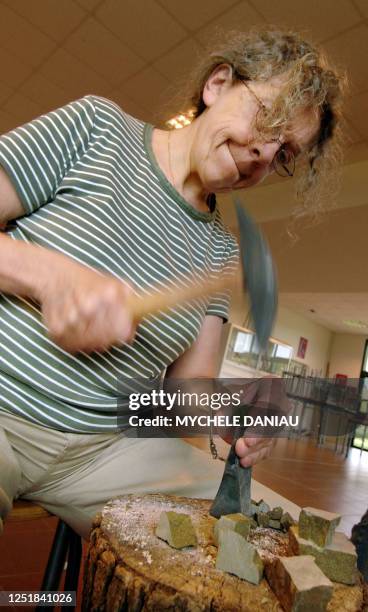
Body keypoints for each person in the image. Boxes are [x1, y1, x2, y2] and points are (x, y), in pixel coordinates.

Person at [0, 28, 343, 539]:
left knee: (270, 536)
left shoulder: (222, 252)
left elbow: (184, 396)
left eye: (285, 152)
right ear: (218, 84)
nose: (265, 156)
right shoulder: (98, 127)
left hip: (106, 450)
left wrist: (231, 409)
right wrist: (49, 275)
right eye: (267, 119)